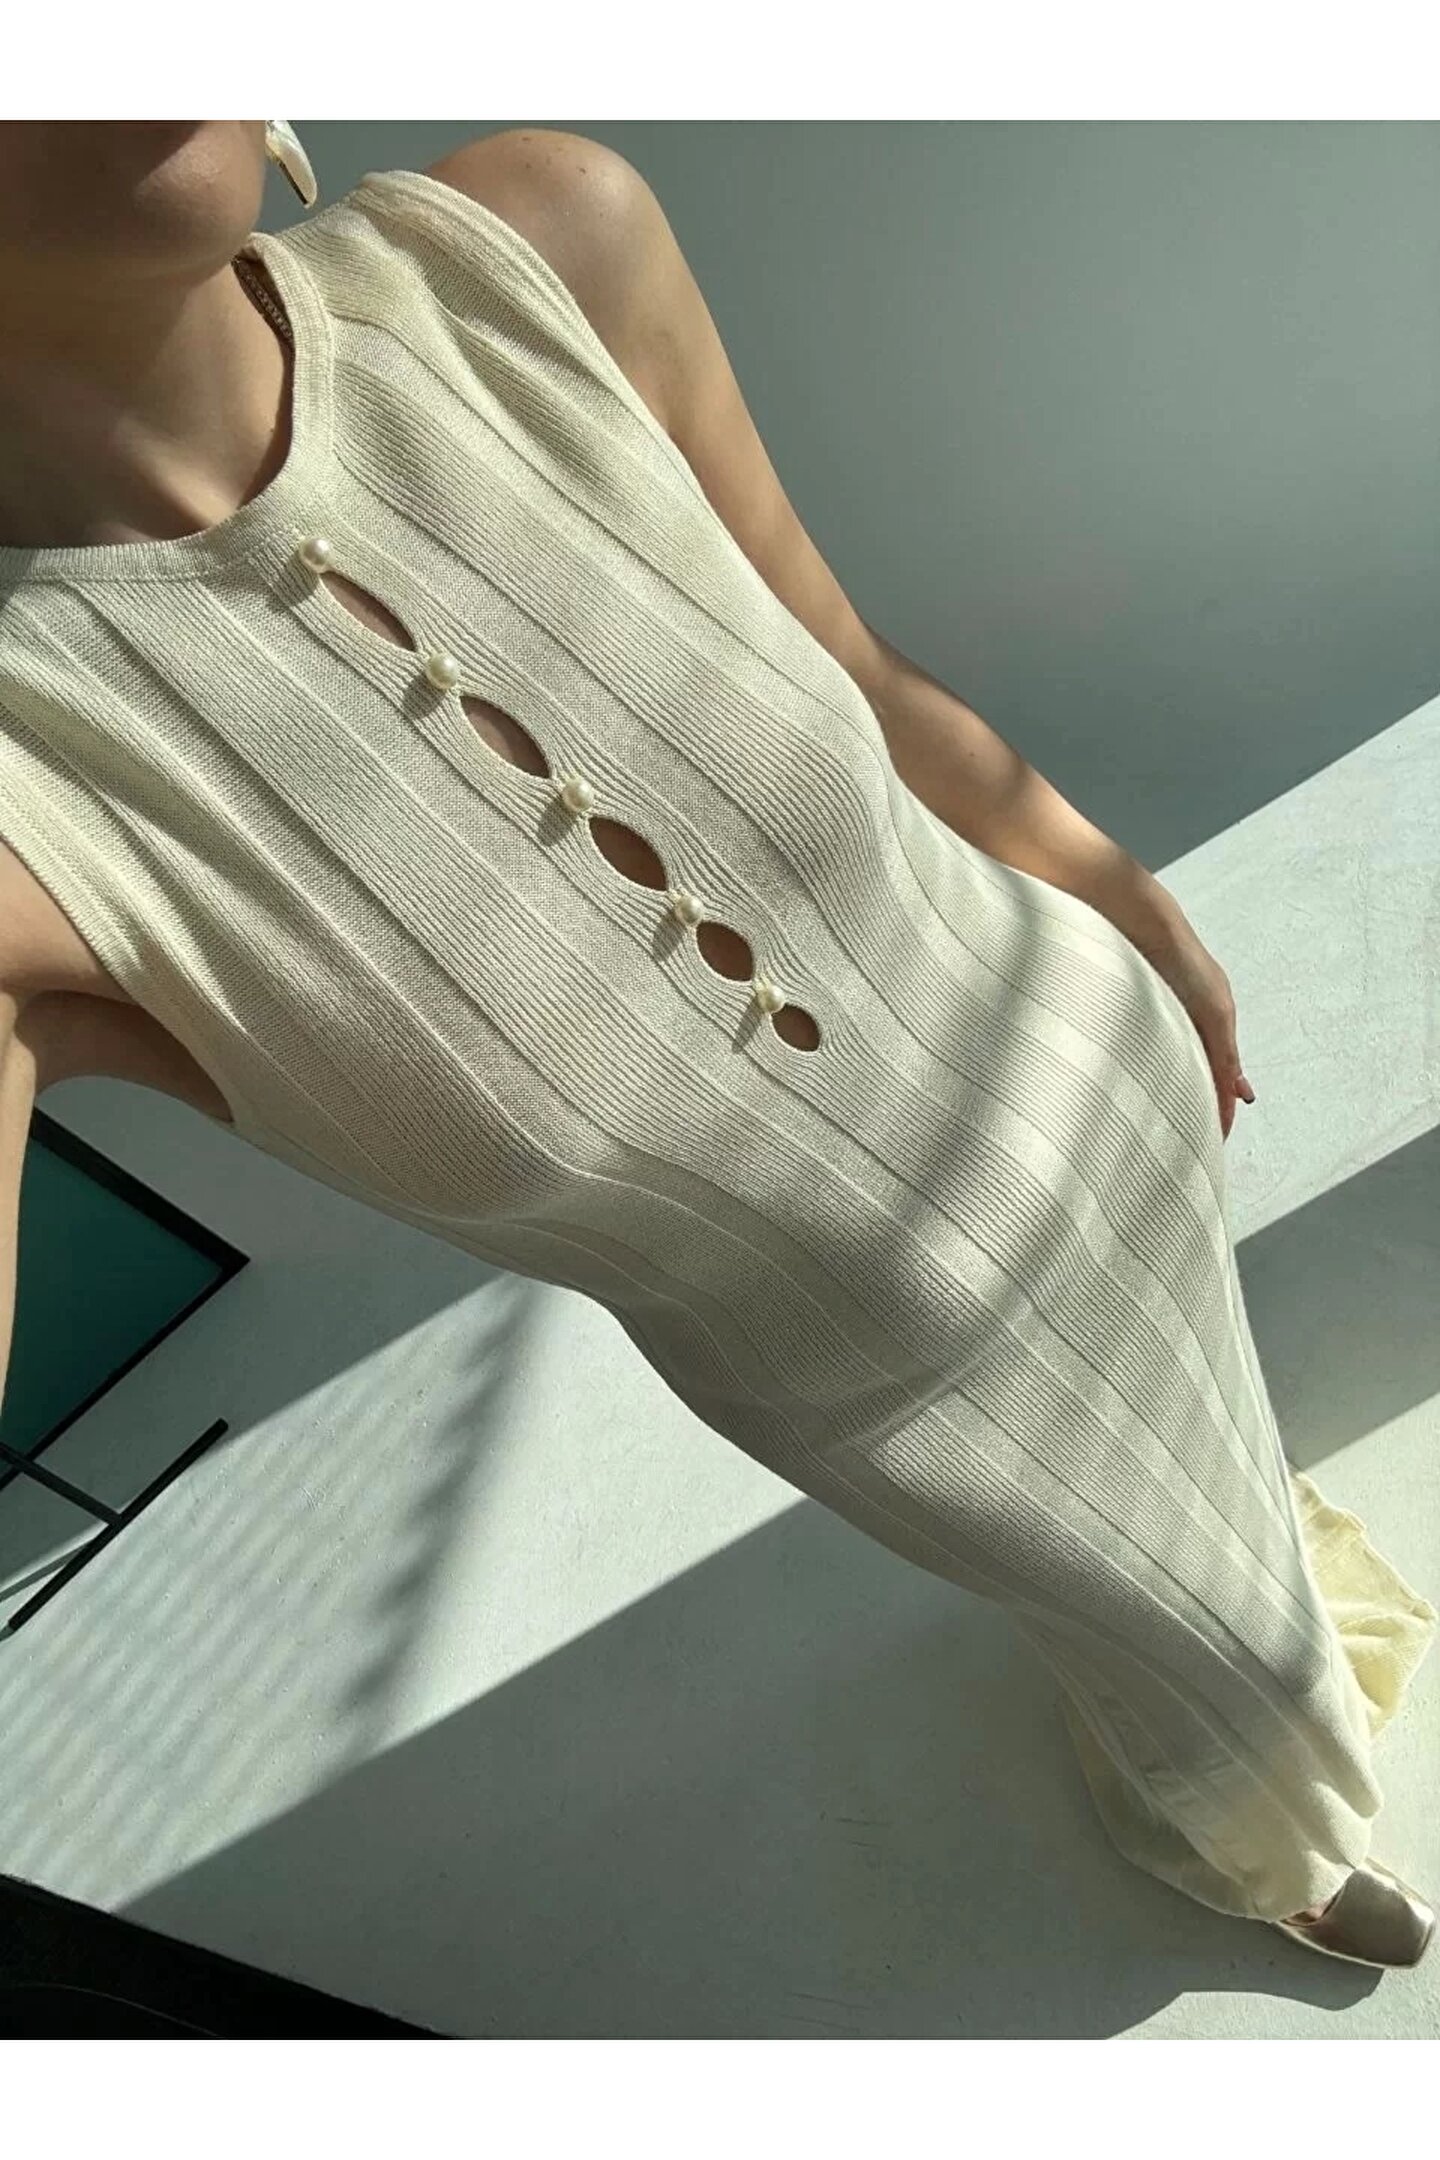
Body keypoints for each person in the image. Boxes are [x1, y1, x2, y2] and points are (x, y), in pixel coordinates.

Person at [0, 120, 1433, 1970]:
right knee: (1172, 1638)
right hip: (912, 1394)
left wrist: (1103, 878)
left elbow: (849, 663)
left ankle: (1264, 1595)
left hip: (1103, 1076)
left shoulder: (537, 238)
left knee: (1223, 1457)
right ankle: (1255, 1828)